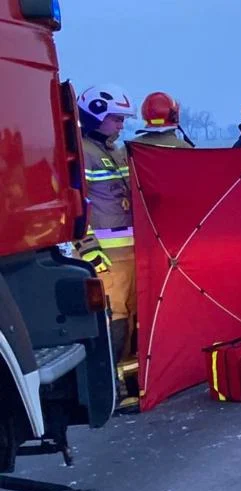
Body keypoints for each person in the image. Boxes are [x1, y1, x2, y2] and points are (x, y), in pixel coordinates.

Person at [75, 84, 138, 408]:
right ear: (96, 114)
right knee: (113, 321)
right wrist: (86, 247)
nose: (121, 125)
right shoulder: (81, 152)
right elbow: (75, 203)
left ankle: (132, 384)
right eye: (115, 118)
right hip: (106, 256)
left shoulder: (118, 150)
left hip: (132, 252)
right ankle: (110, 390)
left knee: (132, 322)